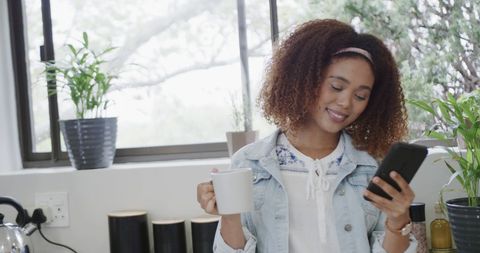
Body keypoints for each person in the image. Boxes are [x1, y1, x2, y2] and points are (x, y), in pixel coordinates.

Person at [197, 19, 417, 253]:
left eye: (361, 96)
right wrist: (229, 215)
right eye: (336, 87)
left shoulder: (372, 167)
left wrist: (398, 218)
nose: (345, 103)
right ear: (305, 78)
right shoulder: (249, 164)